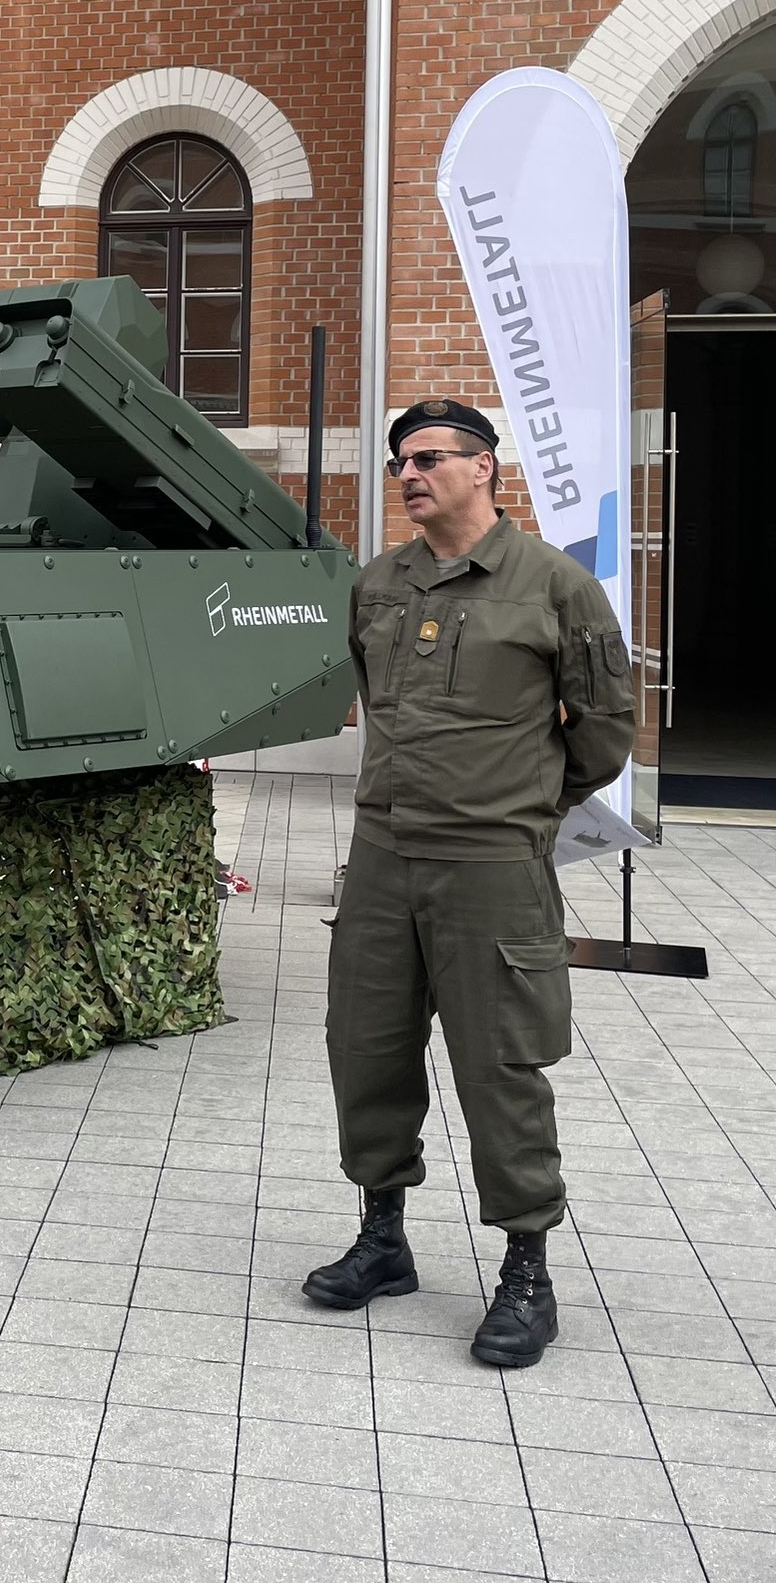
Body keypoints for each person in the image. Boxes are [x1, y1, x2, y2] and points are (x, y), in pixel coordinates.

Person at [303, 398, 635, 1367]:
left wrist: (521, 807)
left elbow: (605, 729)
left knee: (500, 1067)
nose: (408, 475)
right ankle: (382, 1237)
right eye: (399, 461)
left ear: (483, 469)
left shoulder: (554, 588)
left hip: (491, 865)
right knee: (364, 1049)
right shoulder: (375, 586)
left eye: (429, 458)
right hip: (380, 859)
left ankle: (525, 1273)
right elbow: (372, 694)